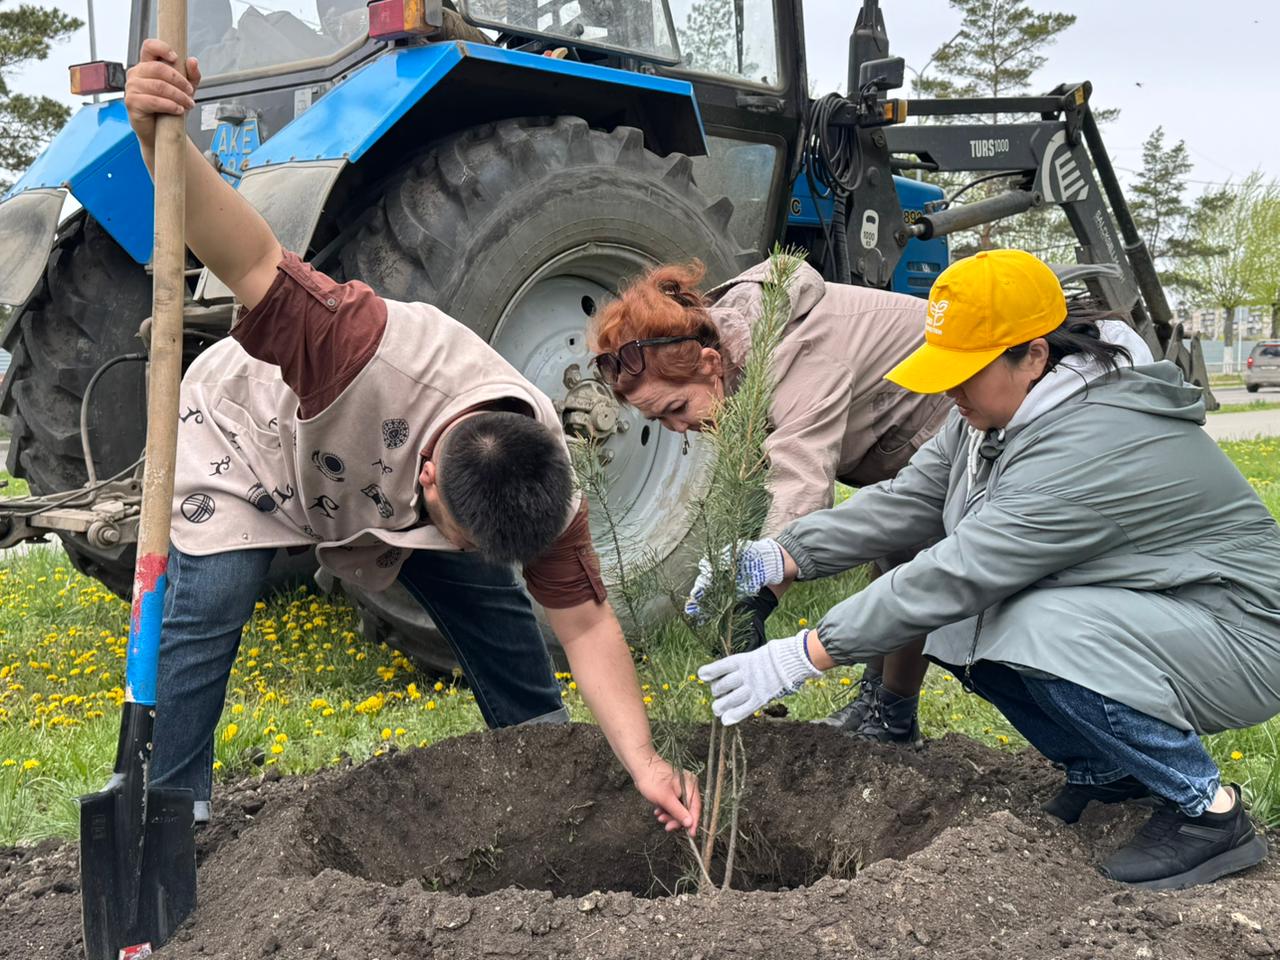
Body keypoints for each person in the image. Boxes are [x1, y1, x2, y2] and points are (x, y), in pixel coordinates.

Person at [123, 40, 699, 836]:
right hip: (251, 437)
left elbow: (588, 624)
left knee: (495, 607)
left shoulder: (542, 480)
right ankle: (170, 812)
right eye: (454, 532)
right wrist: (165, 141)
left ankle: (543, 763)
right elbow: (248, 253)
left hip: (359, 474)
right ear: (427, 477)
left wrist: (644, 762)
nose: (461, 546)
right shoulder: (347, 340)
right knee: (210, 611)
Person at [689, 248, 1279, 890]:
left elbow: (964, 569)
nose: (950, 390)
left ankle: (1207, 813)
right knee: (970, 624)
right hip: (1159, 612)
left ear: (1033, 356)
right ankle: (1110, 774)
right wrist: (780, 554)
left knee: (1033, 623)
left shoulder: (1091, 437)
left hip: (1239, 632)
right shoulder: (994, 417)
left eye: (965, 372)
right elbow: (910, 499)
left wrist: (806, 652)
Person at [588, 257, 949, 743]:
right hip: (893, 445)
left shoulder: (793, 355)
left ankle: (892, 718)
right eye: (660, 421)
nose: (678, 428)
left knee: (914, 560)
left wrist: (756, 596)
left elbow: (799, 482)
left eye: (677, 408)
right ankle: (879, 705)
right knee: (895, 556)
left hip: (951, 411)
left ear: (711, 365)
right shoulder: (729, 347)